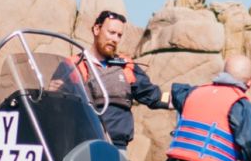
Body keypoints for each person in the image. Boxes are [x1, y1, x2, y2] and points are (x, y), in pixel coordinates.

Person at [50, 10, 167, 149]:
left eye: (119, 35)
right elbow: (55, 107)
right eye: (111, 33)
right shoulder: (73, 65)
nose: (115, 39)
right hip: (83, 143)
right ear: (97, 29)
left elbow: (154, 96)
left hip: (117, 147)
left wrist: (183, 98)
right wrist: (53, 95)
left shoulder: (126, 65)